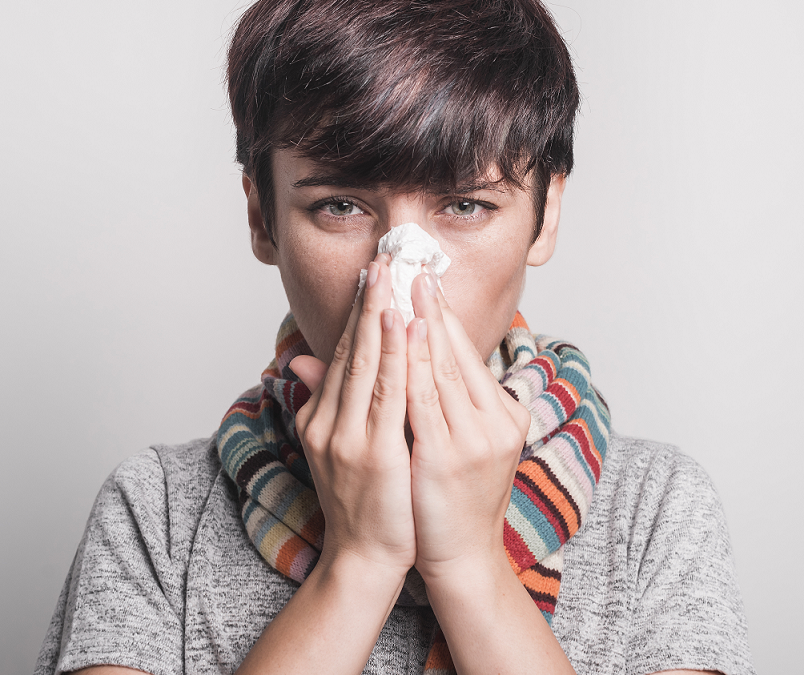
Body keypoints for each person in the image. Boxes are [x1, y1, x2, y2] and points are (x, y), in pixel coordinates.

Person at [35, 1, 755, 673]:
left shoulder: (656, 510)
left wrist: (471, 562)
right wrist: (360, 560)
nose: (403, 279)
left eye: (467, 204)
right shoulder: (156, 511)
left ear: (547, 213)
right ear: (262, 218)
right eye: (340, 205)